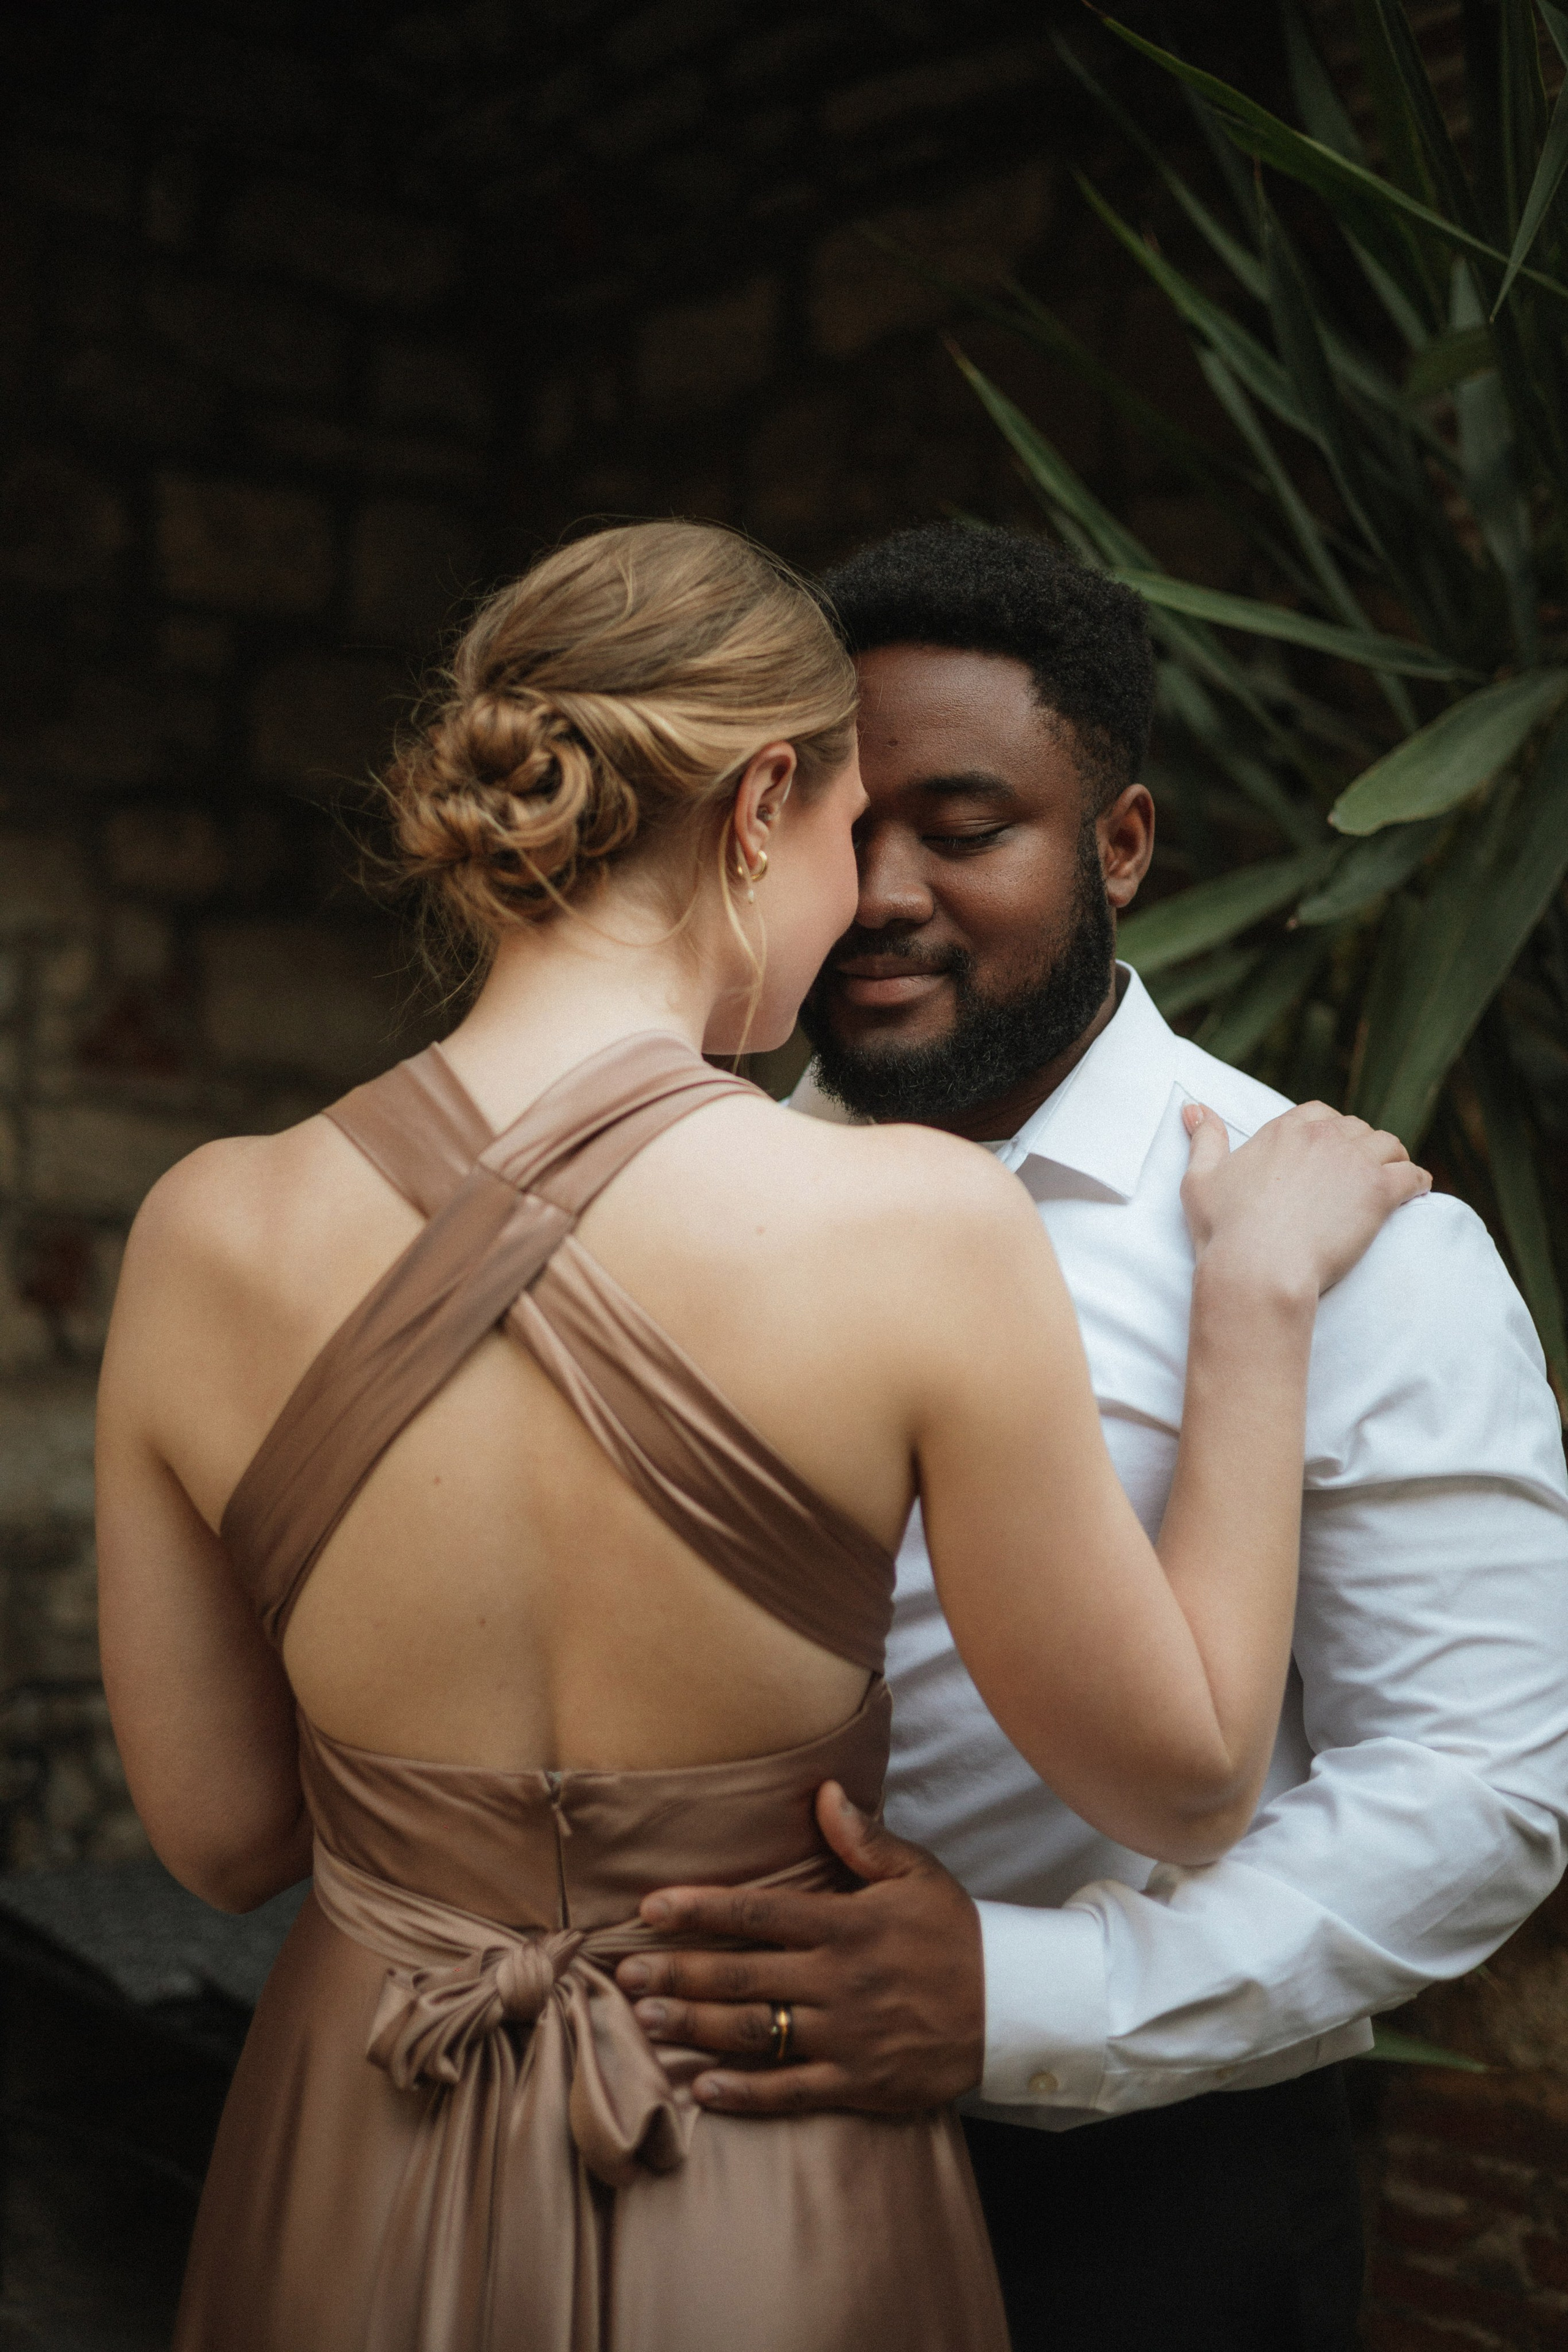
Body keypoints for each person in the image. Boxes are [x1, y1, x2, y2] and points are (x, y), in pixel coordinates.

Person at [96, 520, 1426, 2352]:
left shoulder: (204, 1230)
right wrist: (1261, 1306)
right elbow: (1187, 1780)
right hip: (758, 2162)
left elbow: (225, 1832)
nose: (866, 896)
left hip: (362, 2131)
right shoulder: (913, 1227)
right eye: (850, 827)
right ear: (763, 807)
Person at [609, 522, 1568, 2352]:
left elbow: (1480, 1785)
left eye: (962, 829)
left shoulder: (1343, 1243)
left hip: (1135, 2216)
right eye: (836, 826)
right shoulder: (659, 1207)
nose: (882, 890)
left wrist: (1029, 1995)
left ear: (1118, 845)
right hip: (671, 2153)